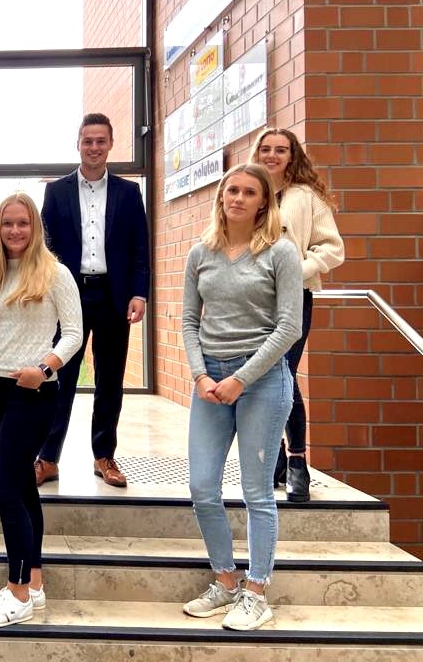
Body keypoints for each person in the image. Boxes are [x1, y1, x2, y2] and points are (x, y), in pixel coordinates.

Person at [181, 163, 302, 631]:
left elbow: (288, 328)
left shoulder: (281, 252)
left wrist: (242, 379)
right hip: (210, 383)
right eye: (232, 190)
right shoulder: (201, 252)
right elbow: (189, 321)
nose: (238, 198)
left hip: (262, 381)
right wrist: (199, 375)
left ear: (263, 202)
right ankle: (226, 581)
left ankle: (257, 592)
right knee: (201, 487)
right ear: (221, 196)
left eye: (250, 192)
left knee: (256, 492)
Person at [0, 193, 82, 628]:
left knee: (3, 490)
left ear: (35, 226)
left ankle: (16, 593)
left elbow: (74, 334)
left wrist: (44, 368)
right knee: (22, 488)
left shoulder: (55, 273)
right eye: (7, 224)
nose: (15, 231)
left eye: (23, 223)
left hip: (33, 392)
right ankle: (34, 584)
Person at [34, 113, 150, 487]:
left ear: (110, 144)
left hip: (114, 295)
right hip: (69, 294)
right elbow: (45, 248)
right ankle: (47, 458)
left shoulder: (129, 193)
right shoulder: (57, 192)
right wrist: (47, 294)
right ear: (78, 144)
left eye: (101, 141)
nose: (94, 147)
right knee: (59, 377)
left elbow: (139, 247)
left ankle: (104, 456)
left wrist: (140, 292)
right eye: (88, 141)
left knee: (110, 381)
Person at [249, 128, 344, 502]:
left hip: (292, 298)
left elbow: (332, 248)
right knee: (257, 376)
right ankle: (273, 458)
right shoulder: (250, 190)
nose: (272, 155)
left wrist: (296, 270)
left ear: (292, 156)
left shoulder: (306, 196)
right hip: (252, 301)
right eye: (266, 149)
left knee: (282, 375)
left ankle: (298, 462)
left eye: (281, 150)